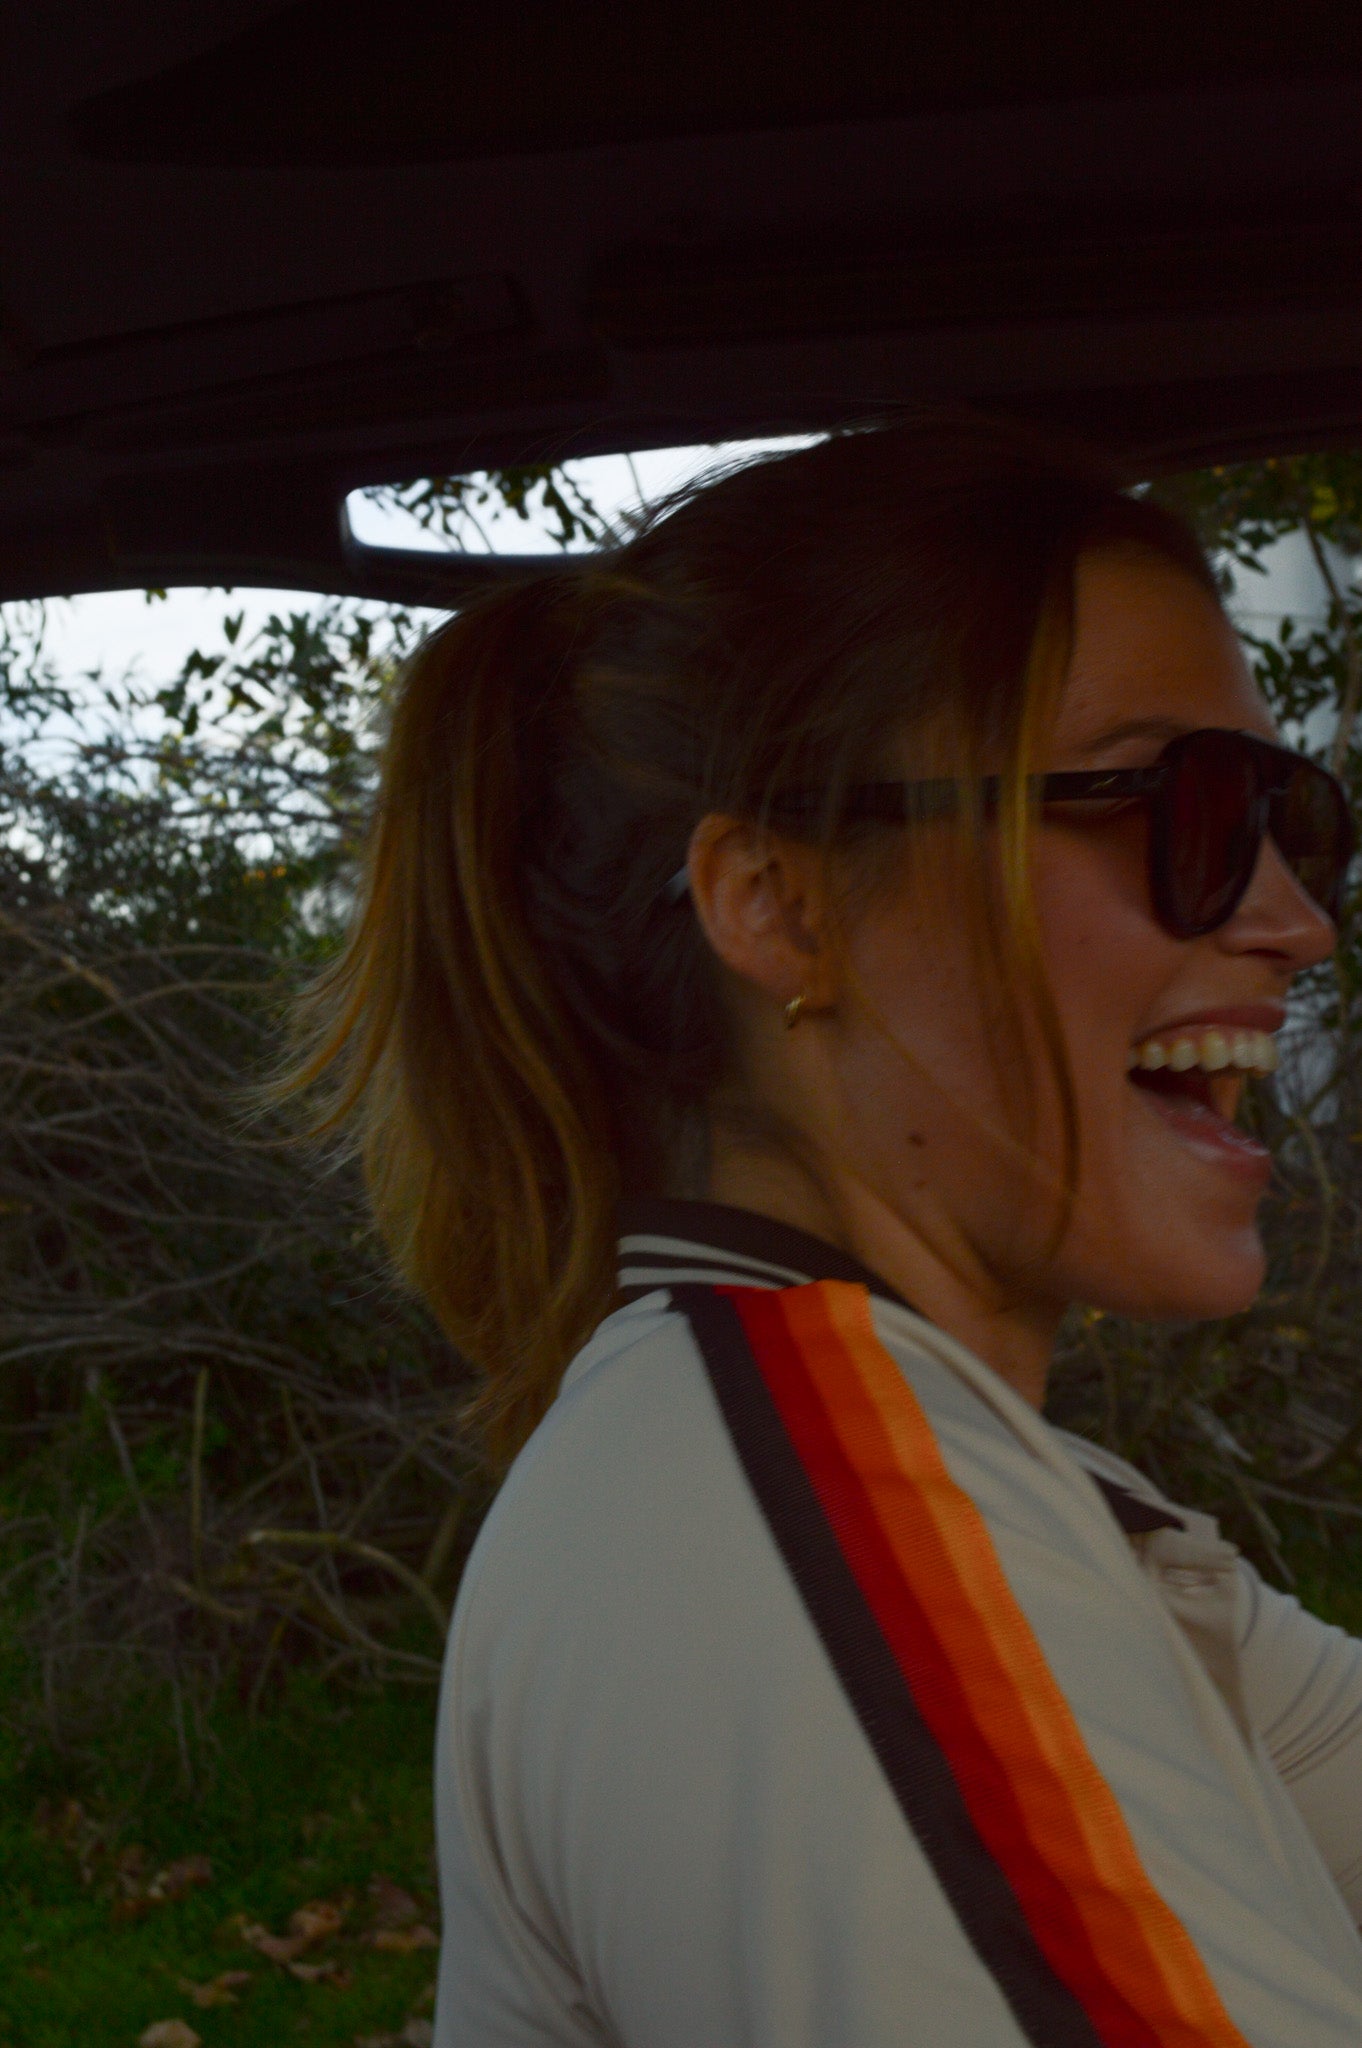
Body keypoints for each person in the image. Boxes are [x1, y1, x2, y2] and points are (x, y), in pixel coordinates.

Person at [298, 417, 1362, 2045]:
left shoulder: (978, 1489)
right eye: (1187, 806)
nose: (1291, 919)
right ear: (785, 908)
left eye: (1299, 820)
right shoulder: (807, 1508)